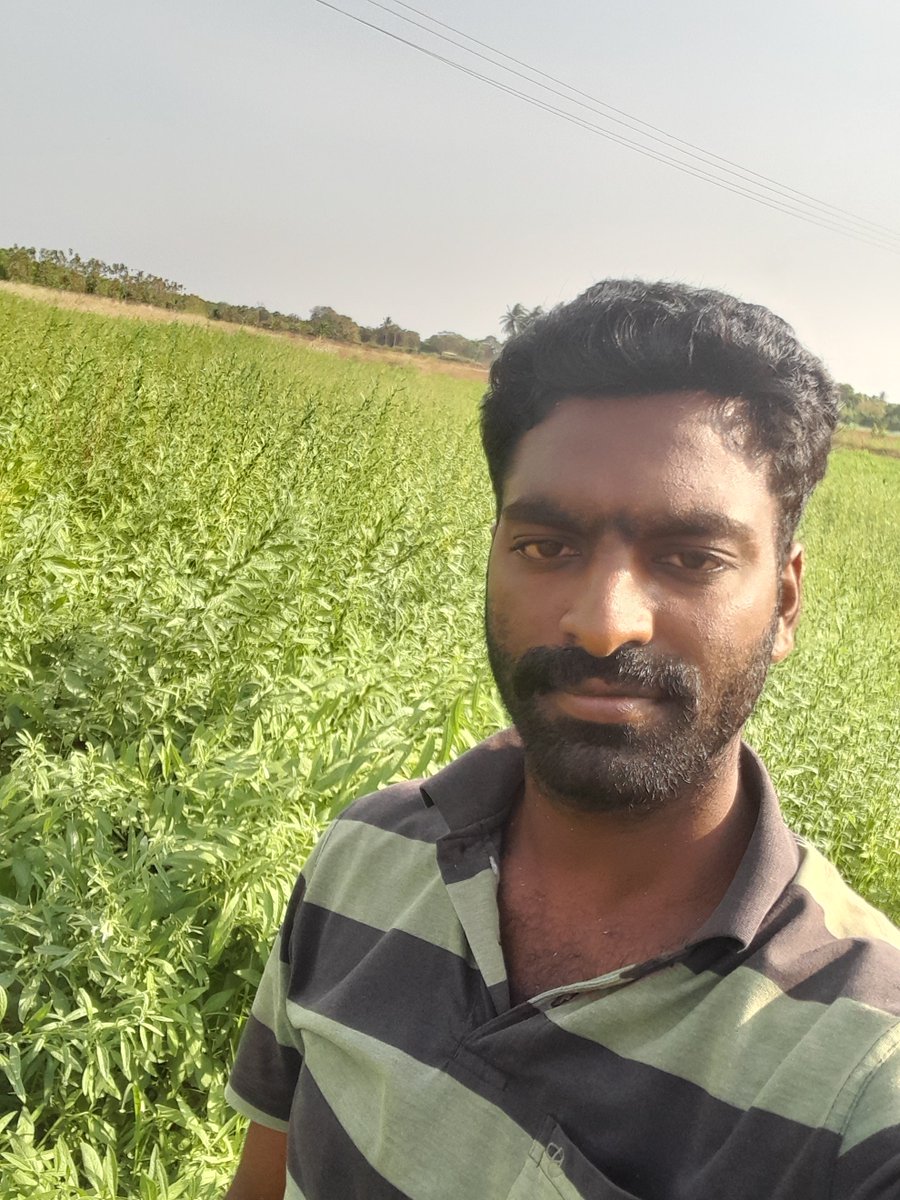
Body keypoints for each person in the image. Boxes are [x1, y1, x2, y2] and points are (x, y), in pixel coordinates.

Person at [223, 280, 899, 1200]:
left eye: (691, 557)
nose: (603, 623)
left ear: (784, 601)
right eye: (547, 545)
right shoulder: (366, 855)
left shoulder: (863, 1068)